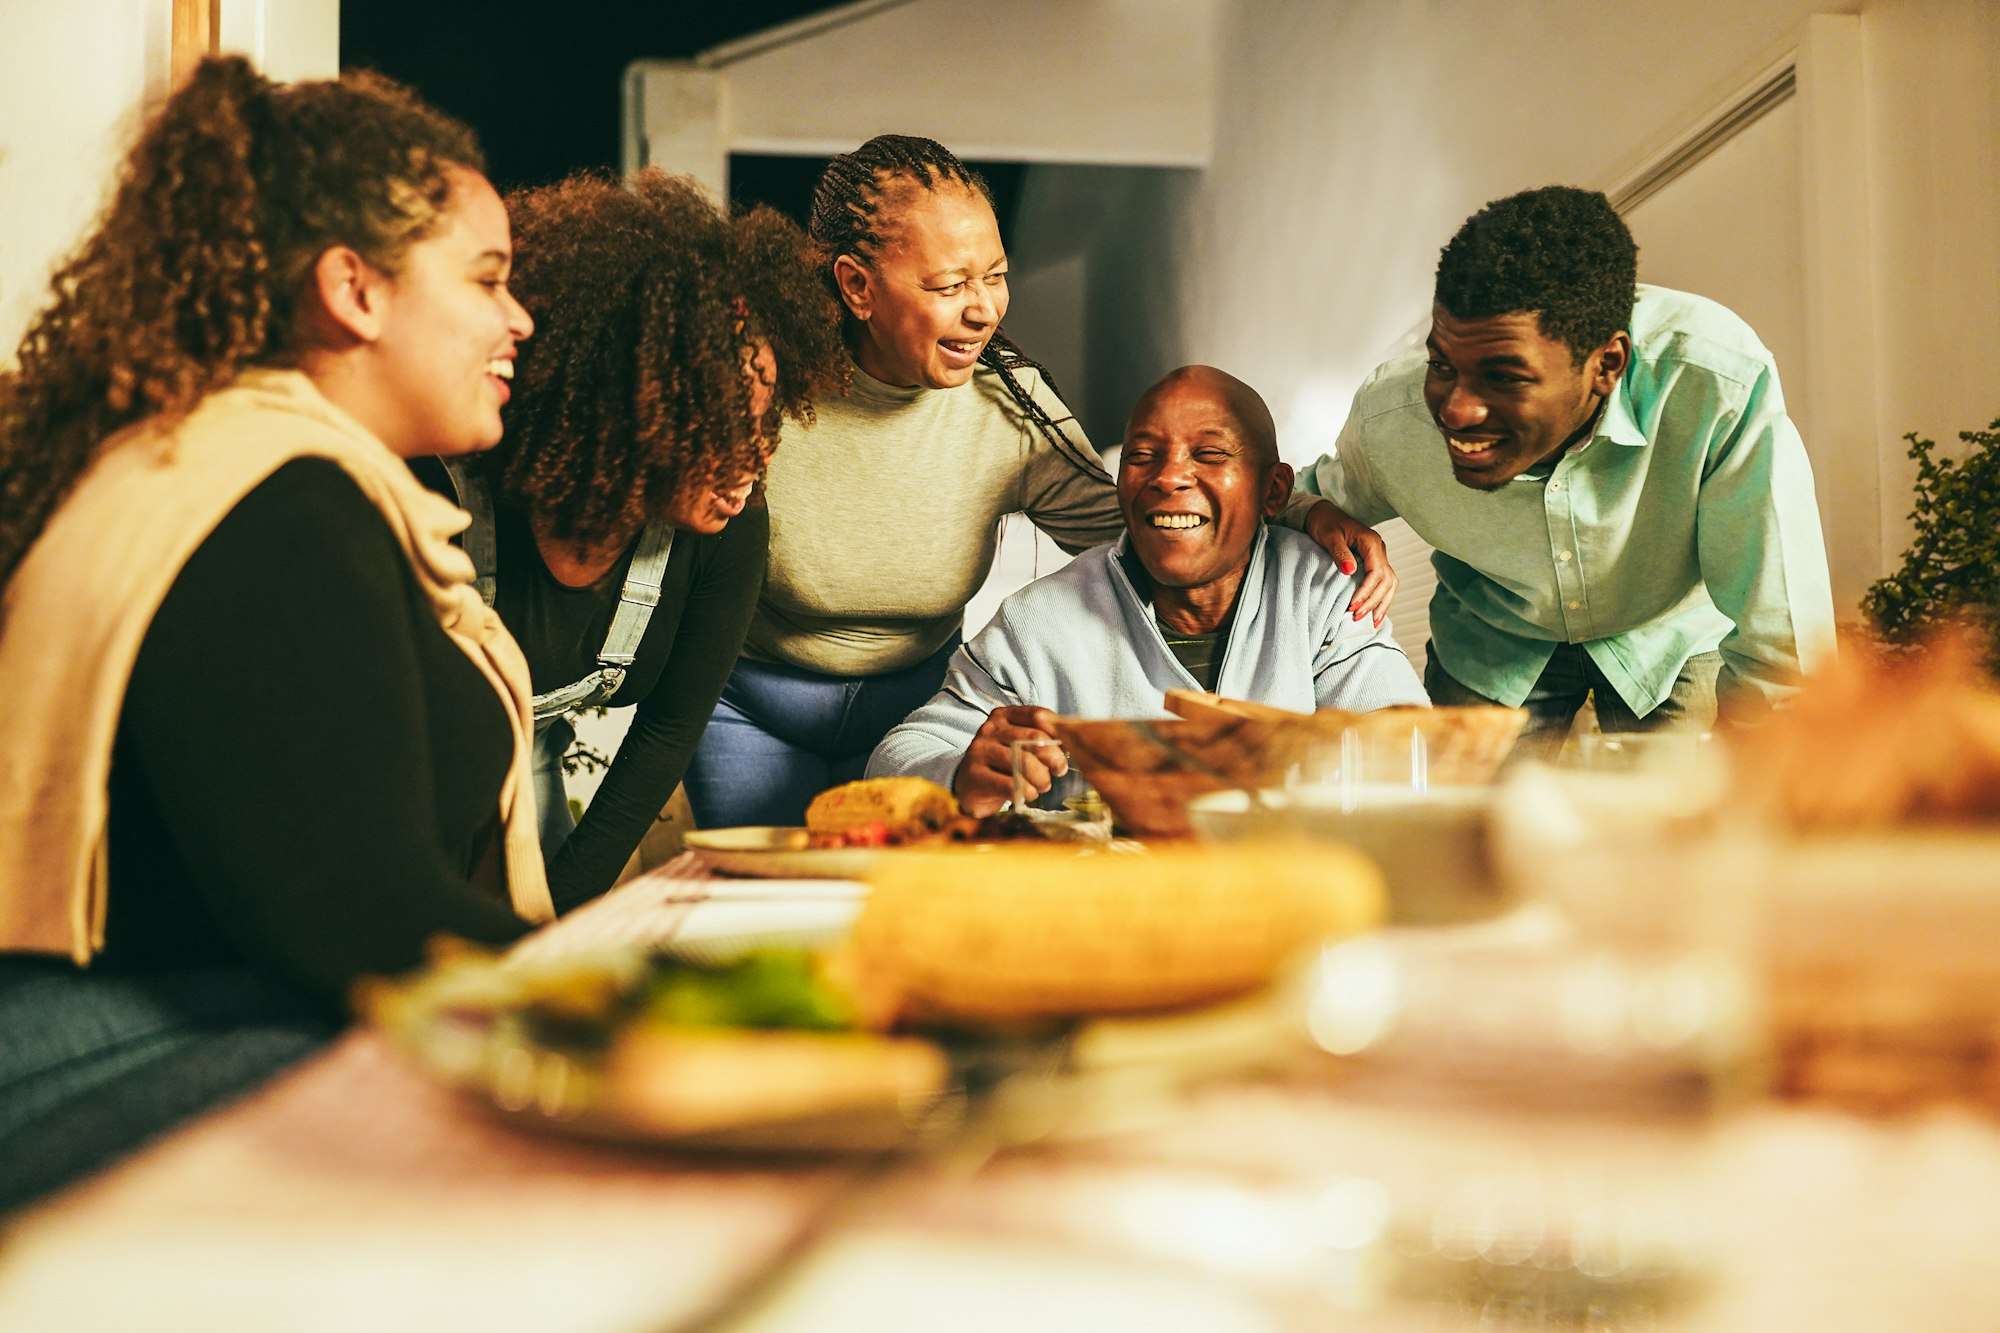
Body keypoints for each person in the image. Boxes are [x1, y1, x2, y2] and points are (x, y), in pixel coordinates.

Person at [0, 58, 547, 1203]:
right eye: (488, 278)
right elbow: (362, 921)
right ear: (355, 289)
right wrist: (652, 997)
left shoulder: (250, 468)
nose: (518, 318)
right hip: (109, 1055)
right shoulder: (269, 499)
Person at [683, 136, 1398, 830]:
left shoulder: (1009, 404)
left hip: (917, 689)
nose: (985, 308)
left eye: (994, 275)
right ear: (857, 286)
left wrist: (1296, 509)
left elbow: (1146, 517)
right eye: (948, 284)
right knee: (758, 905)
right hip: (752, 704)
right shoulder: (765, 391)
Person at [416, 171, 846, 909]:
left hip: (530, 765)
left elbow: (669, 732)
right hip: (414, 785)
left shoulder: (729, 527)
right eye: (714, 424)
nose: (752, 459)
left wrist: (561, 914)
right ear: (617, 414)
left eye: (763, 417)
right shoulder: (443, 501)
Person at [1285, 186, 1835, 755]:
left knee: (1682, 822)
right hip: (1493, 641)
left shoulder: (1714, 381)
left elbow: (1783, 636)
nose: (1456, 410)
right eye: (1443, 365)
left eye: (1505, 377)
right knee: (1465, 829)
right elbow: (1286, 499)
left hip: (1667, 636)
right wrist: (1316, 513)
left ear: (1607, 366)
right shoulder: (1390, 419)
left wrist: (1755, 792)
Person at [870, 366, 1428, 814]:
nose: (1167, 477)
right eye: (1142, 456)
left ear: (1274, 490)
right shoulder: (1039, 622)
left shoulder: (1323, 594)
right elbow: (897, 758)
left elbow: (1404, 745)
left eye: (1208, 455)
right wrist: (961, 772)